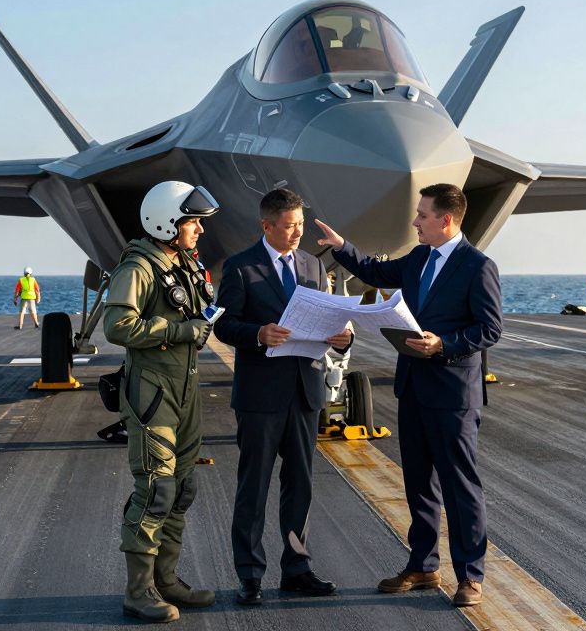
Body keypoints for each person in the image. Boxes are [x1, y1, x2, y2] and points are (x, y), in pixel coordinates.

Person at [313, 183, 502, 609]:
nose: (415, 221)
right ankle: (423, 565)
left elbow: (490, 328)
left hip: (453, 394)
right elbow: (378, 274)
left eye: (422, 215)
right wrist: (342, 246)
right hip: (414, 388)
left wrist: (444, 344)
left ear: (445, 220)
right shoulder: (419, 258)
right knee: (419, 484)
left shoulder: (478, 266)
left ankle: (470, 576)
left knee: (460, 487)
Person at [214, 188, 351, 606]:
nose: (297, 233)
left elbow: (325, 315)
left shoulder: (312, 265)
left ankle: (297, 568)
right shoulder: (240, 268)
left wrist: (341, 340)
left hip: (305, 389)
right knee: (252, 489)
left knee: (301, 486)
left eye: (301, 226)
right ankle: (250, 576)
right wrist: (256, 334)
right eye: (289, 226)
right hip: (260, 395)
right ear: (266, 226)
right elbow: (223, 326)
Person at [103, 180, 220, 623]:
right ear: (167, 222)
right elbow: (118, 327)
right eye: (192, 222)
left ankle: (167, 581)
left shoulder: (182, 262)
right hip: (153, 391)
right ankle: (139, 591)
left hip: (185, 390)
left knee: (183, 487)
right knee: (156, 489)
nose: (199, 231)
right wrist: (177, 332)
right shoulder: (138, 268)